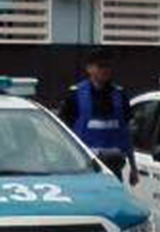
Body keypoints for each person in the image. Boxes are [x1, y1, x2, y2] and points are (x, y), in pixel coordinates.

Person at [59, 48, 139, 185]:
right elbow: (62, 133)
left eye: (108, 66)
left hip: (114, 169)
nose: (105, 70)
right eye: (100, 66)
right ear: (89, 68)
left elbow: (127, 133)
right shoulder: (75, 94)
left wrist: (133, 167)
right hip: (85, 169)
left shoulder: (120, 94)